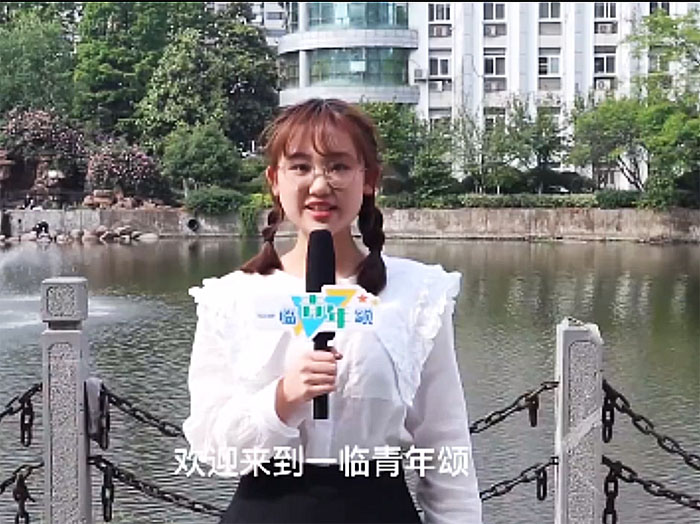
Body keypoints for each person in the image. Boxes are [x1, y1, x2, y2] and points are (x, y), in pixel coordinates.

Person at [183, 98, 482, 523]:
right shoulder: (233, 298)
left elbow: (445, 443)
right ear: (275, 180)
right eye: (300, 167)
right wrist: (282, 399)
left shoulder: (416, 293)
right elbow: (214, 450)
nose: (320, 185)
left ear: (368, 178)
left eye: (339, 166)